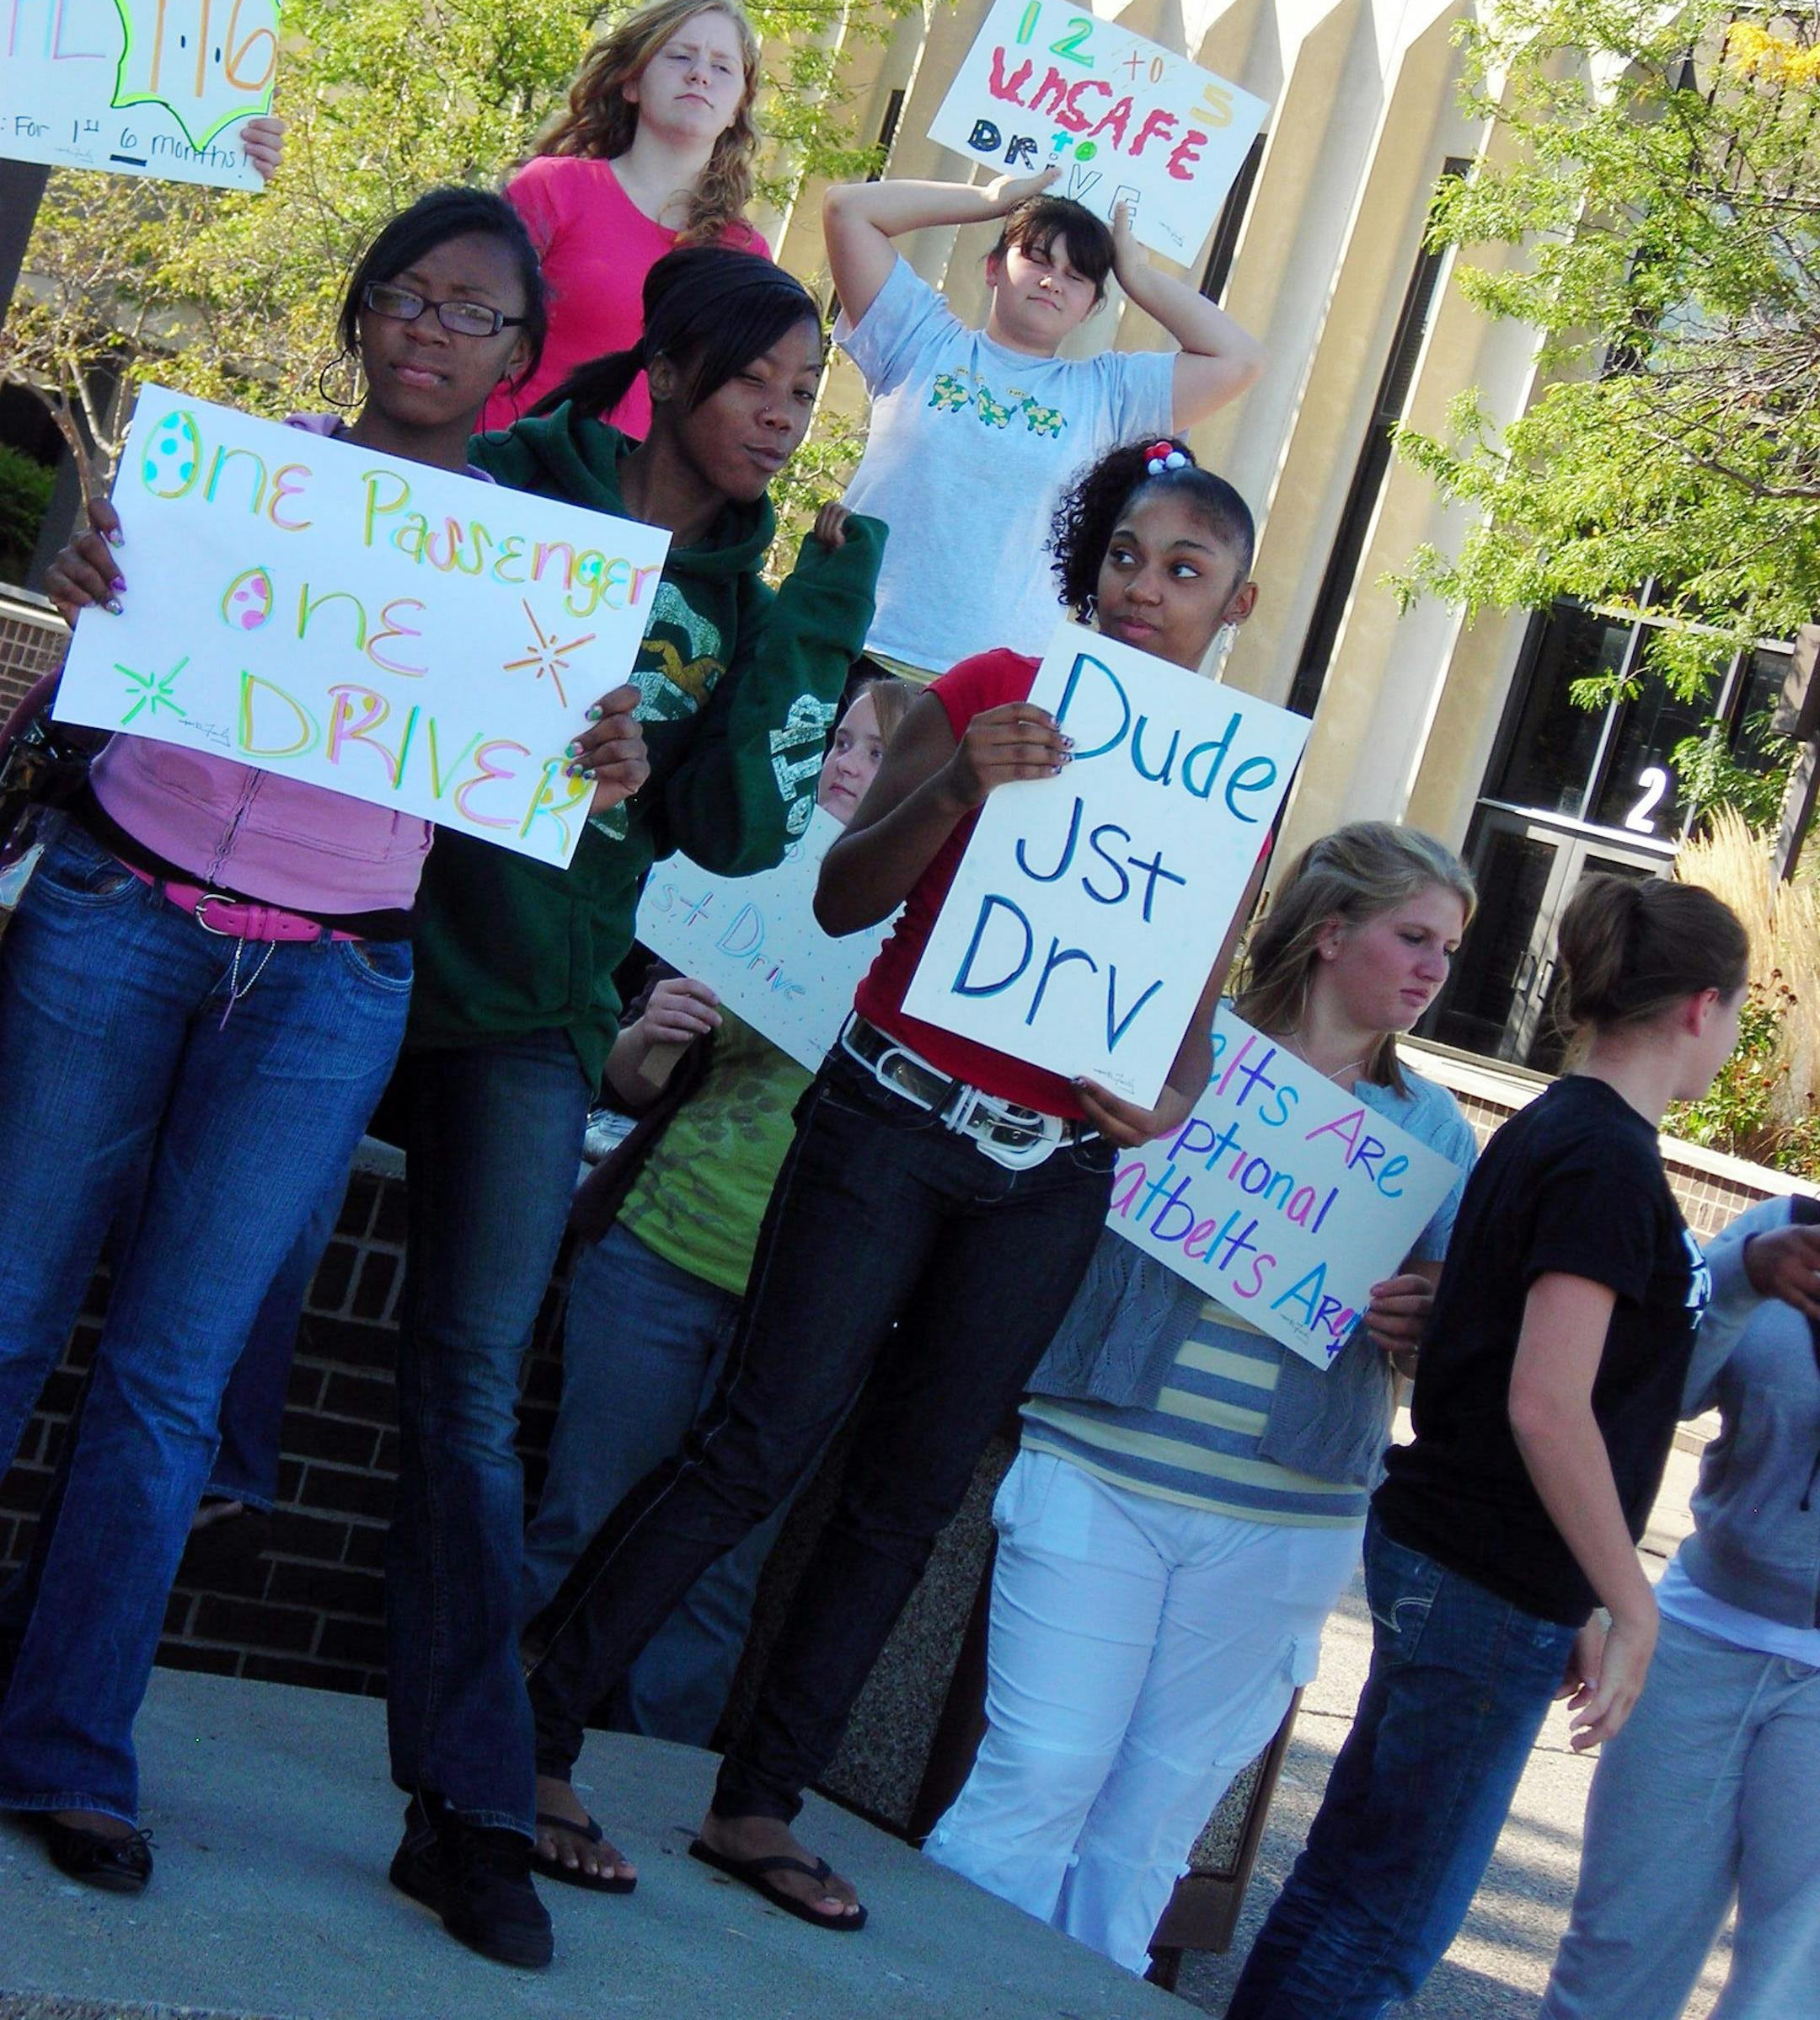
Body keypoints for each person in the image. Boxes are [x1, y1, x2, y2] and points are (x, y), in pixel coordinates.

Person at [522, 434, 1265, 1932]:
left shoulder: (1236, 785)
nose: (1145, 590)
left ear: (1235, 605)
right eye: (1126, 556)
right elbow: (845, 890)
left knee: (908, 1498)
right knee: (759, 1440)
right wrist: (954, 792)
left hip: (1045, 1176)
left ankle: (758, 1803)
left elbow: (1181, 1023)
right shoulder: (992, 686)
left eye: (1185, 572)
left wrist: (1165, 1105)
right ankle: (535, 1732)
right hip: (890, 1119)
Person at [0, 188, 623, 1896]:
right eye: (404, 296)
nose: (428, 328)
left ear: (517, 359)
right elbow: (97, 652)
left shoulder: (533, 580)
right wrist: (84, 580)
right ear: (360, 316)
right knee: (5, 1304)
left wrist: (596, 754)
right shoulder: (233, 481)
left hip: (332, 984)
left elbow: (542, 781)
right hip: (116, 916)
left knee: (171, 1384)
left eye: (472, 311)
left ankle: (65, 1752)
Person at [383, 243, 884, 1972]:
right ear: (673, 365)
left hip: (529, 1015)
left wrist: (823, 601)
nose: (784, 417)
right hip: (359, 948)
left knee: (464, 1395)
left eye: (810, 399)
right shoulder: (528, 475)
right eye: (764, 383)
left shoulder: (754, 592)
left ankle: (467, 1806)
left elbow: (747, 834)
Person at [924, 823, 1480, 1974]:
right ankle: (933, 1991)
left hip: (1286, 1519)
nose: (1433, 969)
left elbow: (1454, 1329)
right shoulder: (1178, 1051)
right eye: (1412, 937)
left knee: (1151, 1827)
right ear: (1332, 934)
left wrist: (1428, 1311)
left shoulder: (1430, 1132)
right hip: (1098, 1466)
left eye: (1450, 950)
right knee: (1038, 1769)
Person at [1223, 872, 1751, 2020]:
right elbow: (1547, 1404)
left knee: (1346, 1889)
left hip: (1469, 1562)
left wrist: (1589, 1594)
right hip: (1481, 1575)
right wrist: (1634, 1602)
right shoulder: (1605, 1159)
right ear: (1702, 1007)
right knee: (1382, 1926)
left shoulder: (1557, 1131)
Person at [521, 678, 915, 1883]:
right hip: (664, 1255)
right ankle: (495, 1747)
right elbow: (629, 1087)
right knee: (580, 1517)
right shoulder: (745, 876)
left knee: (715, 1576)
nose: (847, 763)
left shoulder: (932, 940)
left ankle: (635, 1793)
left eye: (876, 753)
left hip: (809, 1308)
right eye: (839, 740)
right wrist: (656, 1032)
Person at [1538, 1192, 1820, 2020]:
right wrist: (1739, 1280)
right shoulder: (1779, 1228)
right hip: (1701, 1637)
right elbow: (1655, 1391)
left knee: (1789, 1987)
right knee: (1619, 1951)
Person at [823, 163, 1263, 678]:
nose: (1053, 281)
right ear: (992, 268)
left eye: (1078, 276)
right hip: (850, 644)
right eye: (1036, 258)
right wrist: (990, 199)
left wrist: (1137, 275)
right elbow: (847, 209)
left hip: (987, 684)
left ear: (1092, 306)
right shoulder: (919, 340)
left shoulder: (1110, 396)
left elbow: (1239, 361)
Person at [479, 0, 768, 437]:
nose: (700, 76)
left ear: (737, 109)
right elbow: (471, 331)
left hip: (624, 501)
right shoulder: (553, 188)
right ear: (632, 82)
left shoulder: (744, 256)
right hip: (504, 469)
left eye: (722, 66)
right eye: (680, 57)